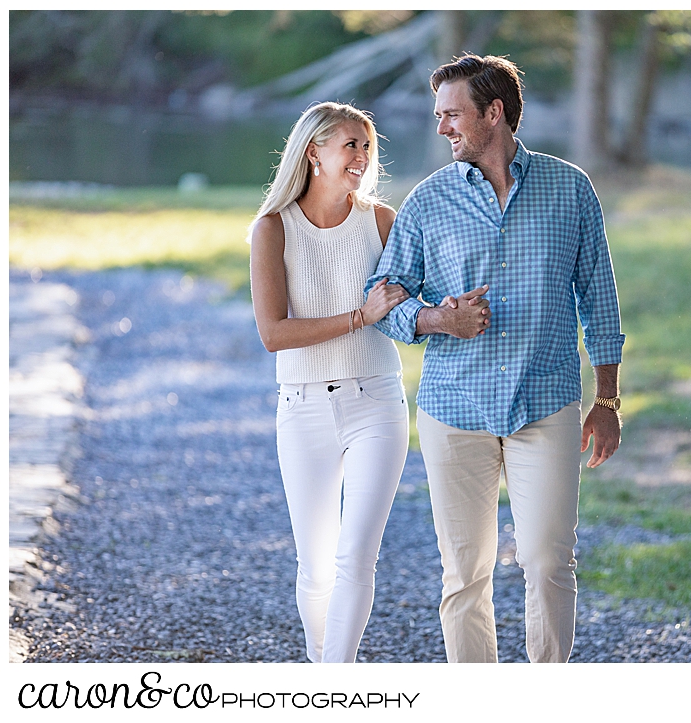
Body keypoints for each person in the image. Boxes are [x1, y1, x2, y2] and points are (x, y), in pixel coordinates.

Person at [366, 54, 625, 663]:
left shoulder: (571, 189)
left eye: (452, 114)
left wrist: (608, 398)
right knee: (465, 573)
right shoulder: (428, 202)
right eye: (438, 116)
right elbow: (384, 294)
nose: (441, 128)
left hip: (546, 404)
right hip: (455, 410)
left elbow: (601, 301)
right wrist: (436, 319)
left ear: (494, 113)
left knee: (548, 559)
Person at [249, 101, 410, 663]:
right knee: (316, 566)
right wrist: (357, 317)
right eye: (351, 145)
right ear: (313, 152)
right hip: (302, 408)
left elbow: (410, 304)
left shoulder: (383, 221)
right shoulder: (272, 229)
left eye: (367, 145)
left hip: (378, 402)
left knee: (356, 557)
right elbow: (273, 332)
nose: (362, 157)